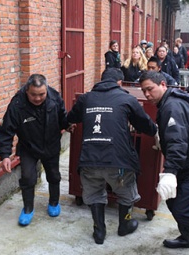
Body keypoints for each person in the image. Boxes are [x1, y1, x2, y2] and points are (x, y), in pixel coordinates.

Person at [67, 68, 157, 244]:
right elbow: (145, 124)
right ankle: (125, 224)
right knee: (126, 194)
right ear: (119, 83)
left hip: (89, 161)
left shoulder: (86, 99)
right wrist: (156, 131)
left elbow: (70, 117)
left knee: (94, 195)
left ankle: (99, 231)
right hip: (119, 162)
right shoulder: (127, 99)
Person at [138, 71, 189, 255]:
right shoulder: (168, 103)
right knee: (173, 201)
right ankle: (186, 237)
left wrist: (170, 172)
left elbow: (178, 142)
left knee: (185, 209)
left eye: (150, 89)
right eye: (144, 91)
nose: (146, 94)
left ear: (163, 84)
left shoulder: (172, 106)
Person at [0, 74, 72, 226]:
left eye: (41, 94)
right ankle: (28, 209)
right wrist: (4, 155)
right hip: (28, 147)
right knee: (28, 178)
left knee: (54, 175)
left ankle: (54, 202)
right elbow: (6, 130)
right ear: (27, 91)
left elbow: (62, 116)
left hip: (51, 144)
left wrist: (68, 124)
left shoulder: (54, 97)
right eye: (33, 95)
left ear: (47, 90)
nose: (38, 98)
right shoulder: (17, 104)